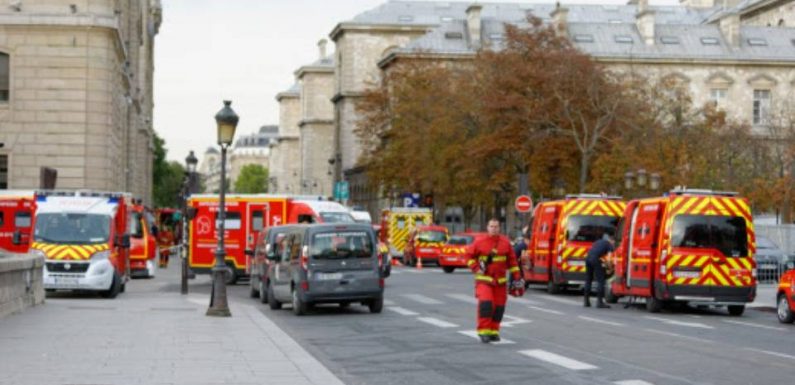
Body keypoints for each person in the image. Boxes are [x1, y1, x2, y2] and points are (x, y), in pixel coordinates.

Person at [466, 218, 523, 343]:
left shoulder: (505, 242)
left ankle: (493, 331)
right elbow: (468, 256)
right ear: (487, 227)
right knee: (486, 304)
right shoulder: (479, 242)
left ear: (499, 228)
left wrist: (517, 277)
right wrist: (476, 268)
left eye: (496, 226)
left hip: (500, 282)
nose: (494, 229)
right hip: (484, 280)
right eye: (491, 226)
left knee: (499, 308)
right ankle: (483, 331)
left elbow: (512, 261)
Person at [584, 232, 615, 309]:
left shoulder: (598, 241)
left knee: (588, 279)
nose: (614, 243)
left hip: (588, 258)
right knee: (601, 281)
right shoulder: (609, 245)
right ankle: (599, 302)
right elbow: (609, 258)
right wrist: (610, 268)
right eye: (613, 242)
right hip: (596, 259)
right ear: (611, 240)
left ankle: (586, 301)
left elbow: (593, 250)